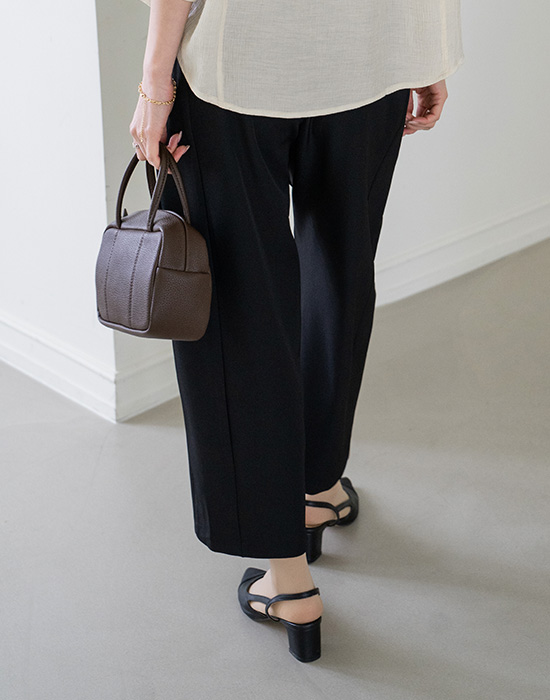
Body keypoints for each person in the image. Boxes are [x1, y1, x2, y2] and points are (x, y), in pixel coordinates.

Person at [130, 0, 464, 662]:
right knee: (340, 273)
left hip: (234, 67)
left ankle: (288, 577)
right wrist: (426, 50)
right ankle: (318, 487)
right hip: (373, 58)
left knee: (239, 309)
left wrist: (155, 82)